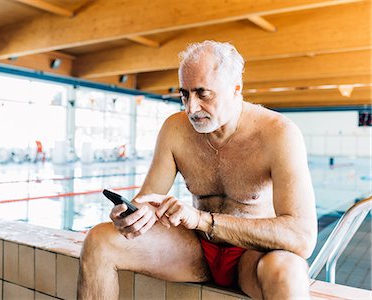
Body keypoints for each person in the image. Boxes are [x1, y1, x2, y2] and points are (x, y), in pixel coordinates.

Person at [78, 40, 318, 299]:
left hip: (251, 254)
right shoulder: (175, 130)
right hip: (195, 250)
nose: (191, 108)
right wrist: (132, 219)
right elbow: (147, 201)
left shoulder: (279, 134)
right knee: (99, 240)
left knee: (288, 271)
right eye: (185, 94)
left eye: (203, 94)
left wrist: (203, 220)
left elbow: (302, 237)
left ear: (236, 89)